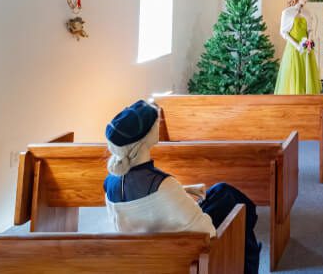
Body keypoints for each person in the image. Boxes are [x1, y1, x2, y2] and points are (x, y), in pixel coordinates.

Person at [103, 100, 261, 273]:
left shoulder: (111, 181)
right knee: (235, 206)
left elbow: (140, 208)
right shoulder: (162, 184)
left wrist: (182, 191)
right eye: (155, 123)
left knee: (221, 191)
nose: (158, 125)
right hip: (179, 257)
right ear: (144, 139)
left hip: (145, 252)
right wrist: (189, 202)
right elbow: (206, 232)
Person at [274, 0, 322, 95]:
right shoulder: (287, 12)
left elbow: (309, 29)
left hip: (306, 49)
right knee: (294, 75)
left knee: (306, 74)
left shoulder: (307, 12)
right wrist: (297, 45)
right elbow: (283, 32)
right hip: (293, 48)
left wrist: (309, 42)